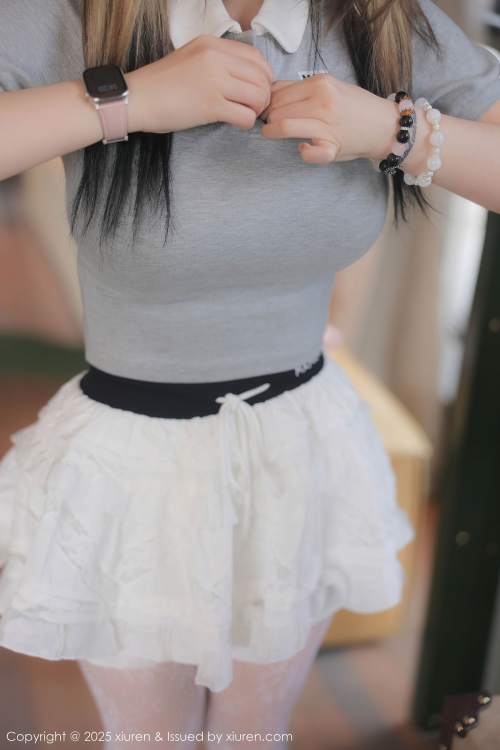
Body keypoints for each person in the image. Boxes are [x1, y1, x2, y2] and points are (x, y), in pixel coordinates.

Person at [0, 0, 499, 747]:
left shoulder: (383, 20)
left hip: (298, 449)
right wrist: (127, 102)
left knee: (253, 734)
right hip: (135, 468)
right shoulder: (72, 14)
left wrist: (393, 131)